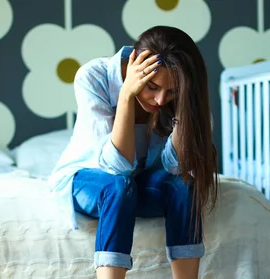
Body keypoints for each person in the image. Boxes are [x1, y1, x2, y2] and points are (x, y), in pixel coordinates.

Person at [48, 25, 219, 279]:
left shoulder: (174, 98)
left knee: (184, 184)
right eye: (152, 86)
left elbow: (175, 166)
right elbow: (115, 168)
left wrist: (185, 103)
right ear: (136, 64)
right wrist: (127, 94)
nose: (160, 100)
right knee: (118, 186)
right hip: (89, 180)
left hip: (136, 183)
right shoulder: (94, 77)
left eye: (170, 92)